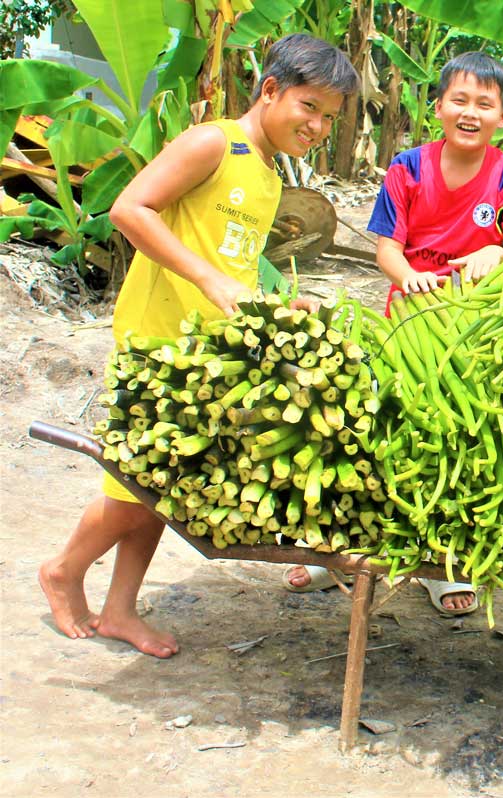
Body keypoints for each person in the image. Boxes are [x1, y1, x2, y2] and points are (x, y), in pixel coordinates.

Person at [38, 34, 359, 658]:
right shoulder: (214, 142)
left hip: (205, 351)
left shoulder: (267, 176)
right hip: (157, 341)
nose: (318, 125)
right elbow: (131, 209)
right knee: (136, 486)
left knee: (167, 486)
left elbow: (230, 265)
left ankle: (121, 607)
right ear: (270, 91)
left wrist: (270, 303)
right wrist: (208, 278)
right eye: (308, 106)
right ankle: (63, 568)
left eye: (330, 117)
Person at [283, 51, 503, 615]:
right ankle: (338, 551)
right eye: (460, 100)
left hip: (476, 333)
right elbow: (386, 248)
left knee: (454, 443)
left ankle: (443, 566)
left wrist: (495, 251)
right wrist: (411, 278)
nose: (470, 112)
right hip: (407, 322)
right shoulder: (409, 168)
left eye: (485, 104)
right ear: (439, 106)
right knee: (376, 435)